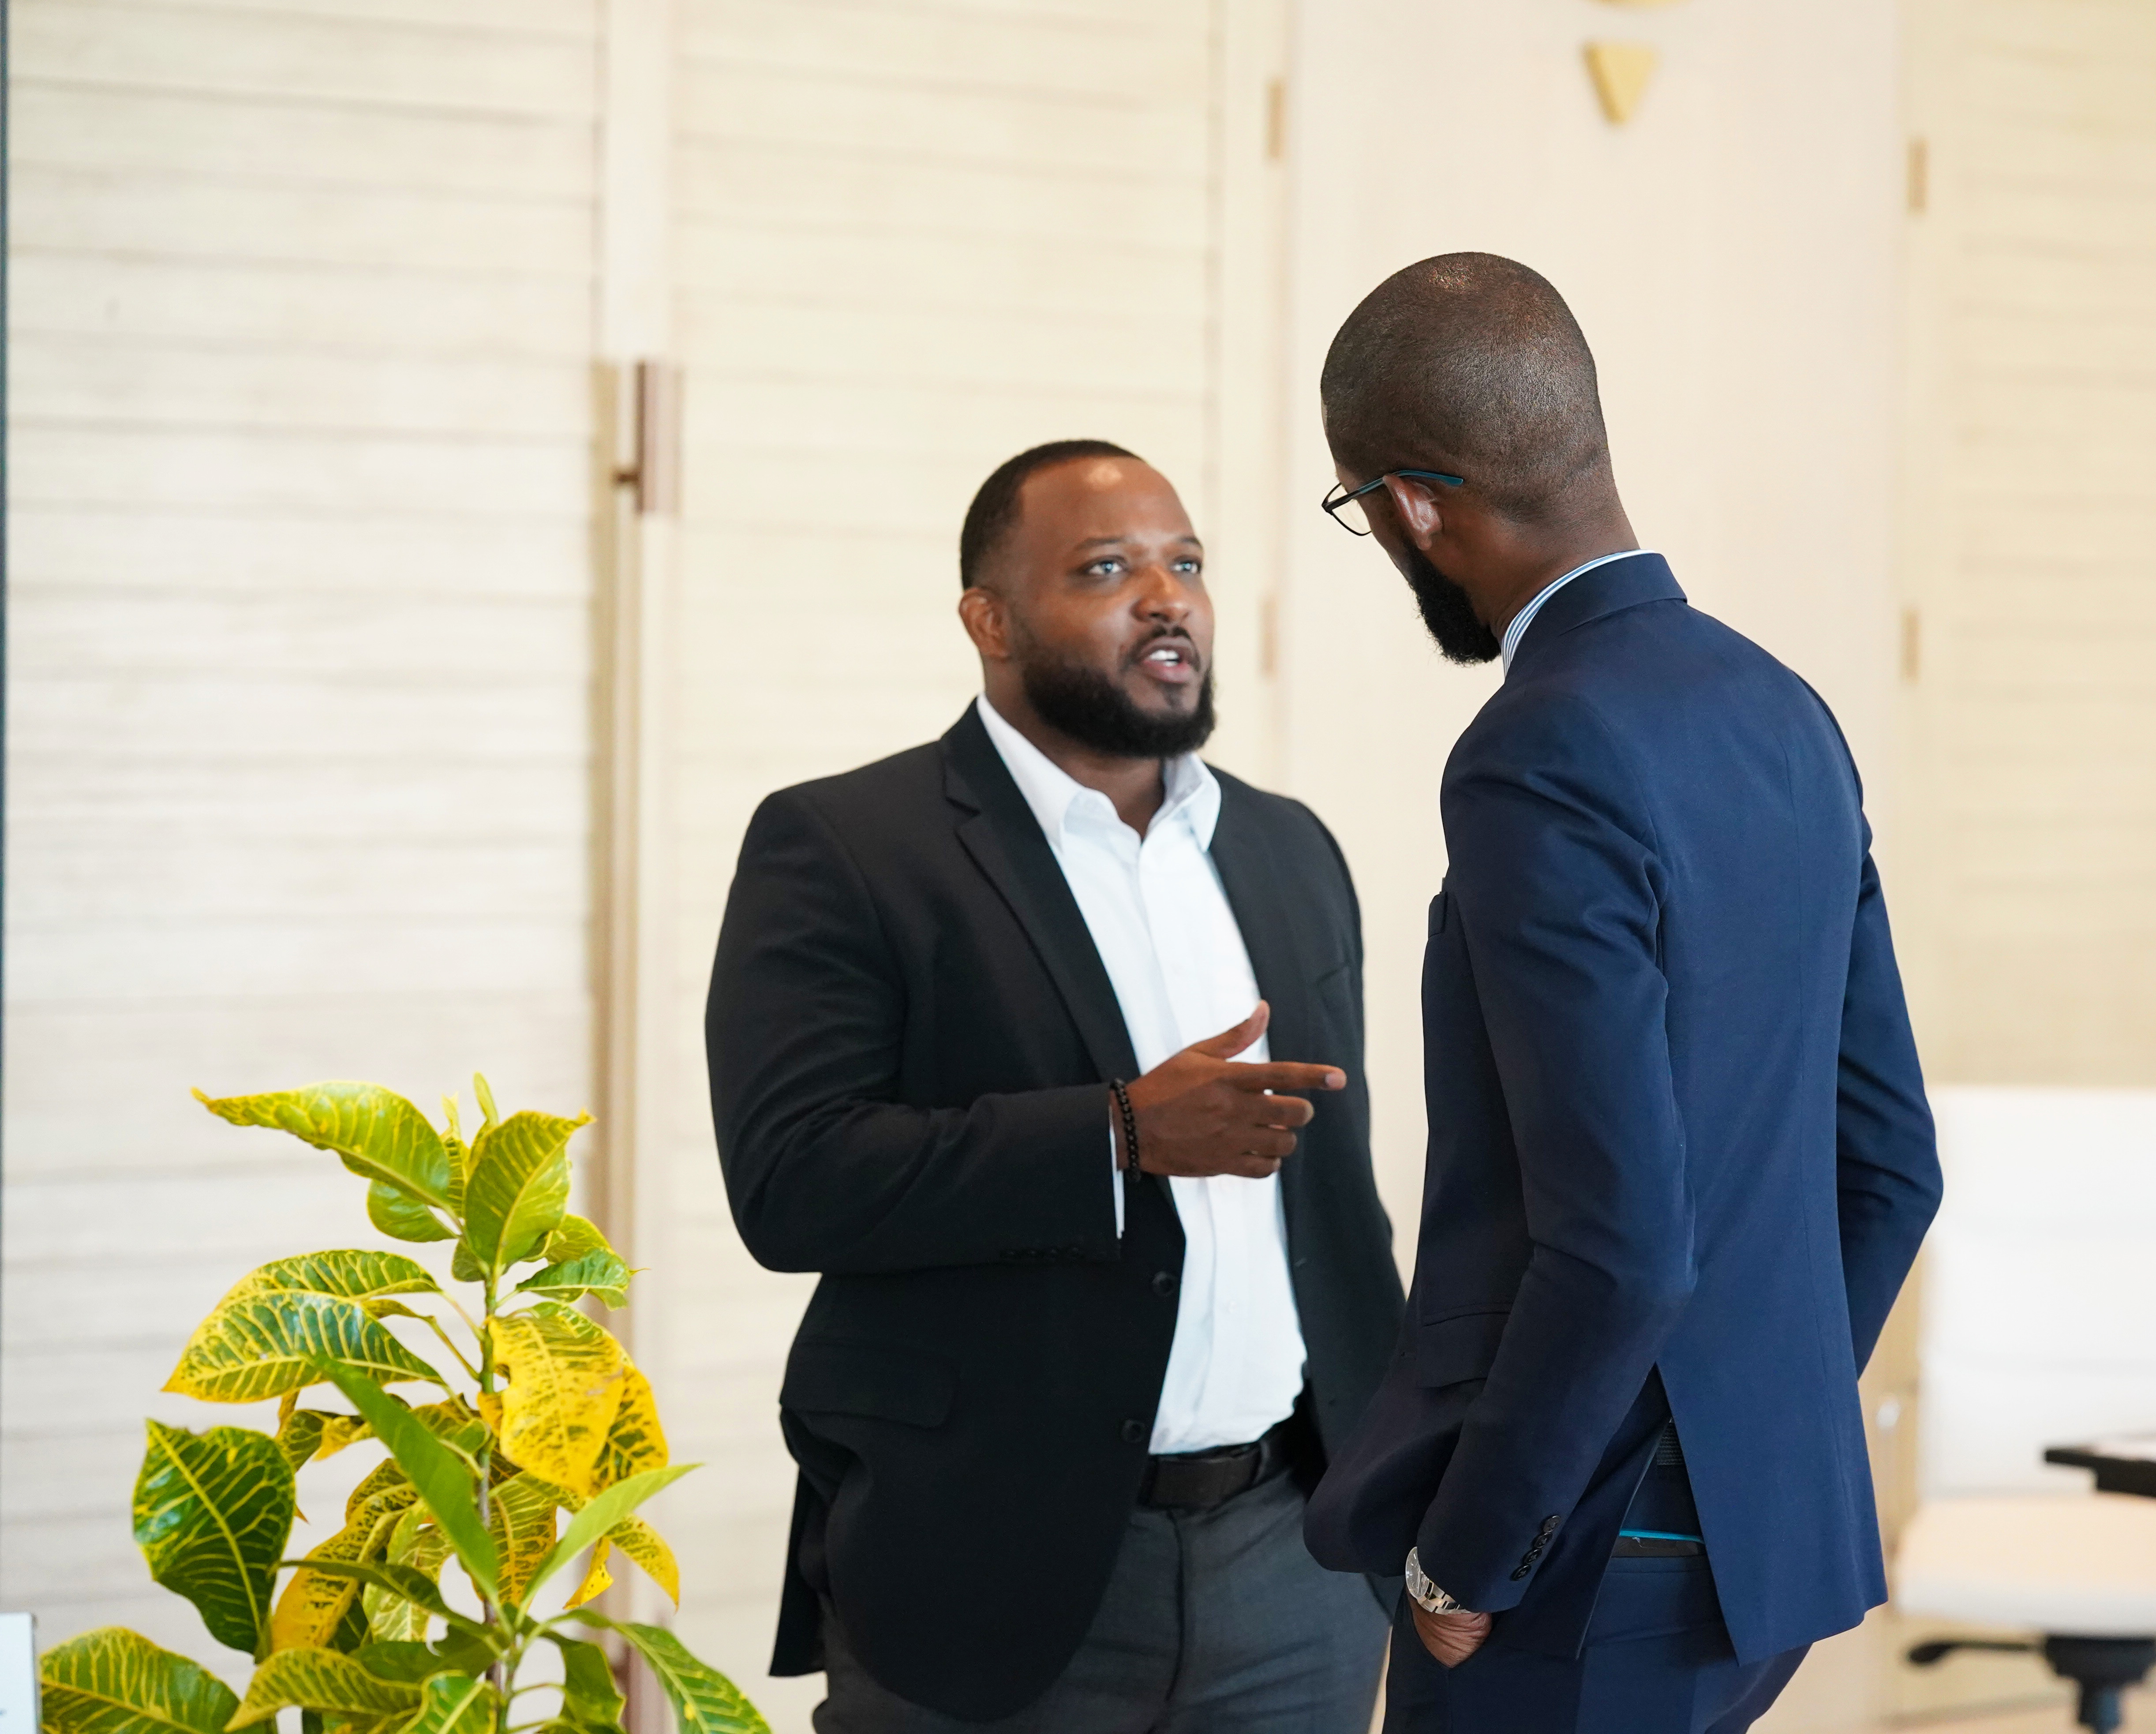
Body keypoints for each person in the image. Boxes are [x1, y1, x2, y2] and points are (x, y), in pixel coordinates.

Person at [1302, 255, 1943, 1734]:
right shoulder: (1785, 709)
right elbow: (1891, 1164)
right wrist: (1753, 1430)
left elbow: (1623, 1242)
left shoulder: (1538, 747)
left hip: (1584, 1562)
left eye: (1360, 510)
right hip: (1762, 1548)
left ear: (1415, 507)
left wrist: (1471, 1557)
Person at [707, 439, 1405, 1732]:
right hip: (990, 1576)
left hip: (1296, 1565)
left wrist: (1404, 1484)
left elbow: (1339, 1210)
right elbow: (792, 1180)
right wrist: (1119, 1133)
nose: (1167, 598)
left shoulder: (1290, 848)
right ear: (990, 620)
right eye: (1105, 569)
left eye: (1186, 562)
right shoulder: (848, 846)